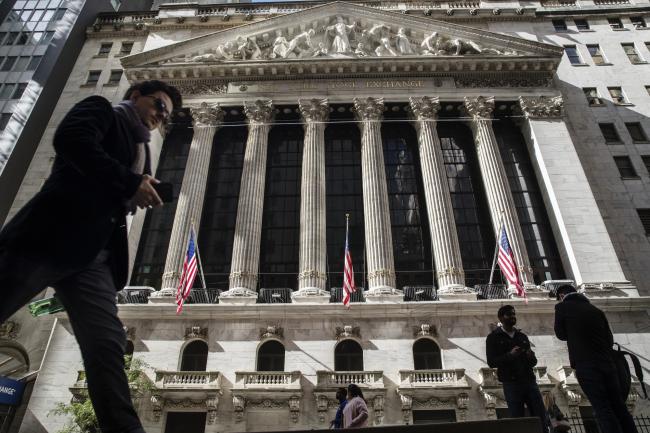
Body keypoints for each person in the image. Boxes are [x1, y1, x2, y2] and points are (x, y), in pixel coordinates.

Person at [0, 80, 181, 433]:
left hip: (93, 258)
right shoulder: (102, 110)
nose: (161, 116)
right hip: (50, 237)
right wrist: (131, 183)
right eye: (159, 105)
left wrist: (138, 187)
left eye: (167, 115)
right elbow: (71, 141)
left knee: (107, 347)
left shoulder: (141, 147)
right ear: (135, 96)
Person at [554, 284, 638, 433]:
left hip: (587, 365)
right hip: (608, 364)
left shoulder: (562, 308)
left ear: (561, 296)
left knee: (602, 407)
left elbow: (560, 334)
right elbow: (609, 340)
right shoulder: (596, 310)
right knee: (619, 406)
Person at [486, 305, 552, 433]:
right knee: (517, 417)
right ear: (500, 318)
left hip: (529, 380)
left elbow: (533, 362)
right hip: (511, 383)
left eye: (513, 314)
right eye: (509, 314)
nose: (512, 317)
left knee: (540, 415)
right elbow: (492, 362)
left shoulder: (522, 336)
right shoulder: (493, 338)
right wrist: (510, 355)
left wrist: (530, 356)